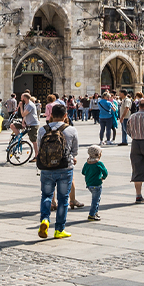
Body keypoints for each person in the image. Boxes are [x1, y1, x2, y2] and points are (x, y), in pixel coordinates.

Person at [37, 101, 79, 239]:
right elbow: (75, 151)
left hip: (46, 168)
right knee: (63, 199)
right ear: (65, 115)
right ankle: (59, 229)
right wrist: (72, 157)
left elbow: (39, 147)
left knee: (46, 196)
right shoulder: (71, 130)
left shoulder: (42, 130)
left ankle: (45, 220)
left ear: (51, 115)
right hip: (65, 168)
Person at [82, 145, 107, 221]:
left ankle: (95, 212)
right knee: (95, 200)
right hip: (97, 184)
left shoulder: (87, 163)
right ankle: (92, 214)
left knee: (96, 199)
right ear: (98, 154)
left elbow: (83, 172)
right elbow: (105, 172)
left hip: (89, 184)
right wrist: (103, 177)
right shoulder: (99, 164)